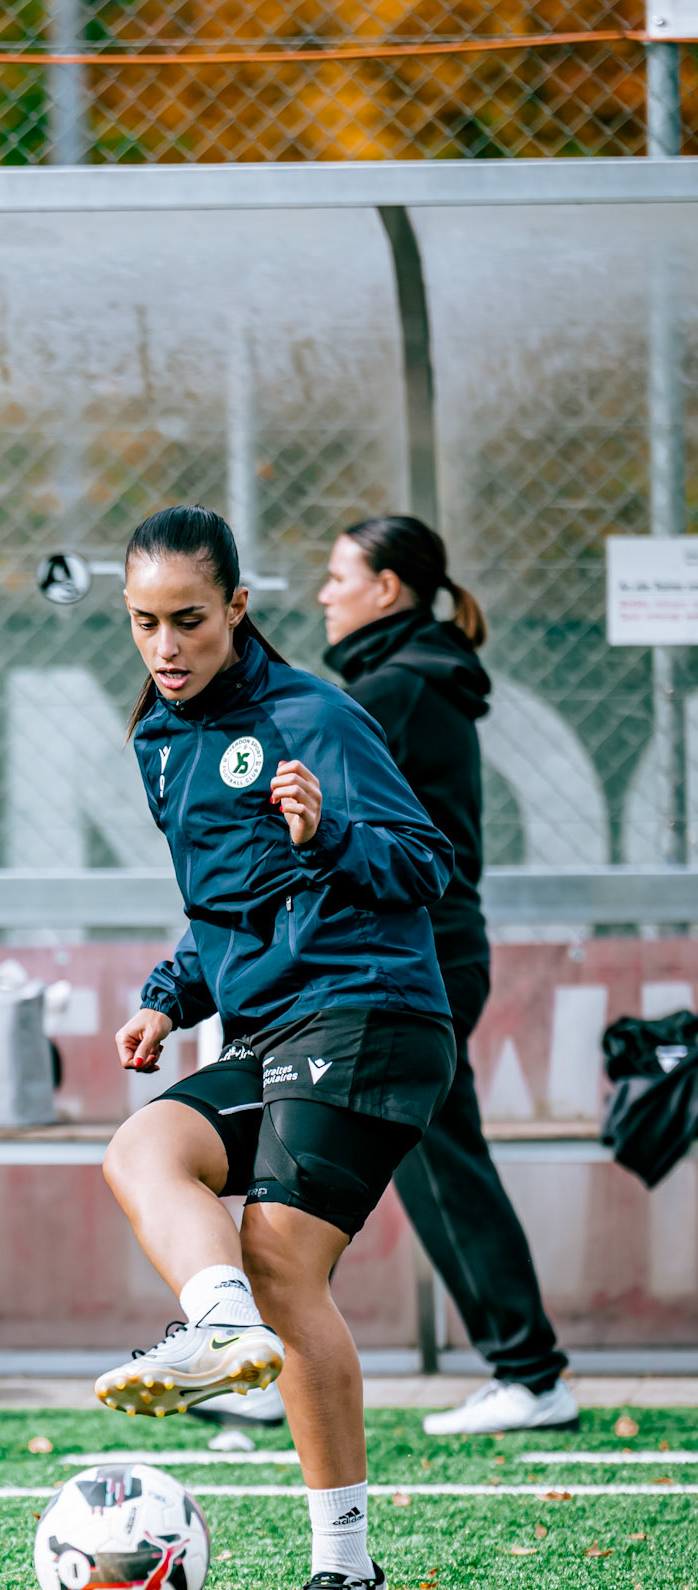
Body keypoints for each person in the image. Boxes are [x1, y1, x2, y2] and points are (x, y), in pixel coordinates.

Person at [96, 505, 456, 1590]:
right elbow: (226, 910)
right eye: (145, 621)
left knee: (283, 1262)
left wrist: (327, 833)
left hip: (371, 1011)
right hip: (272, 1027)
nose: (166, 646)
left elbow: (428, 863)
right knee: (142, 1148)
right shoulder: (160, 740)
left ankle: (345, 1568)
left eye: (189, 620)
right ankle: (217, 1326)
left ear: (238, 608)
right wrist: (168, 996)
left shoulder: (314, 714)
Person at [316, 516, 575, 1436]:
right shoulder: (413, 679)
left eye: (338, 576)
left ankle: (529, 1373)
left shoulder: (392, 691)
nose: (323, 594)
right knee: (379, 1152)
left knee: (411, 1158)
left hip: (416, 962)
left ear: (386, 588)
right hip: (424, 957)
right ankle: (525, 1371)